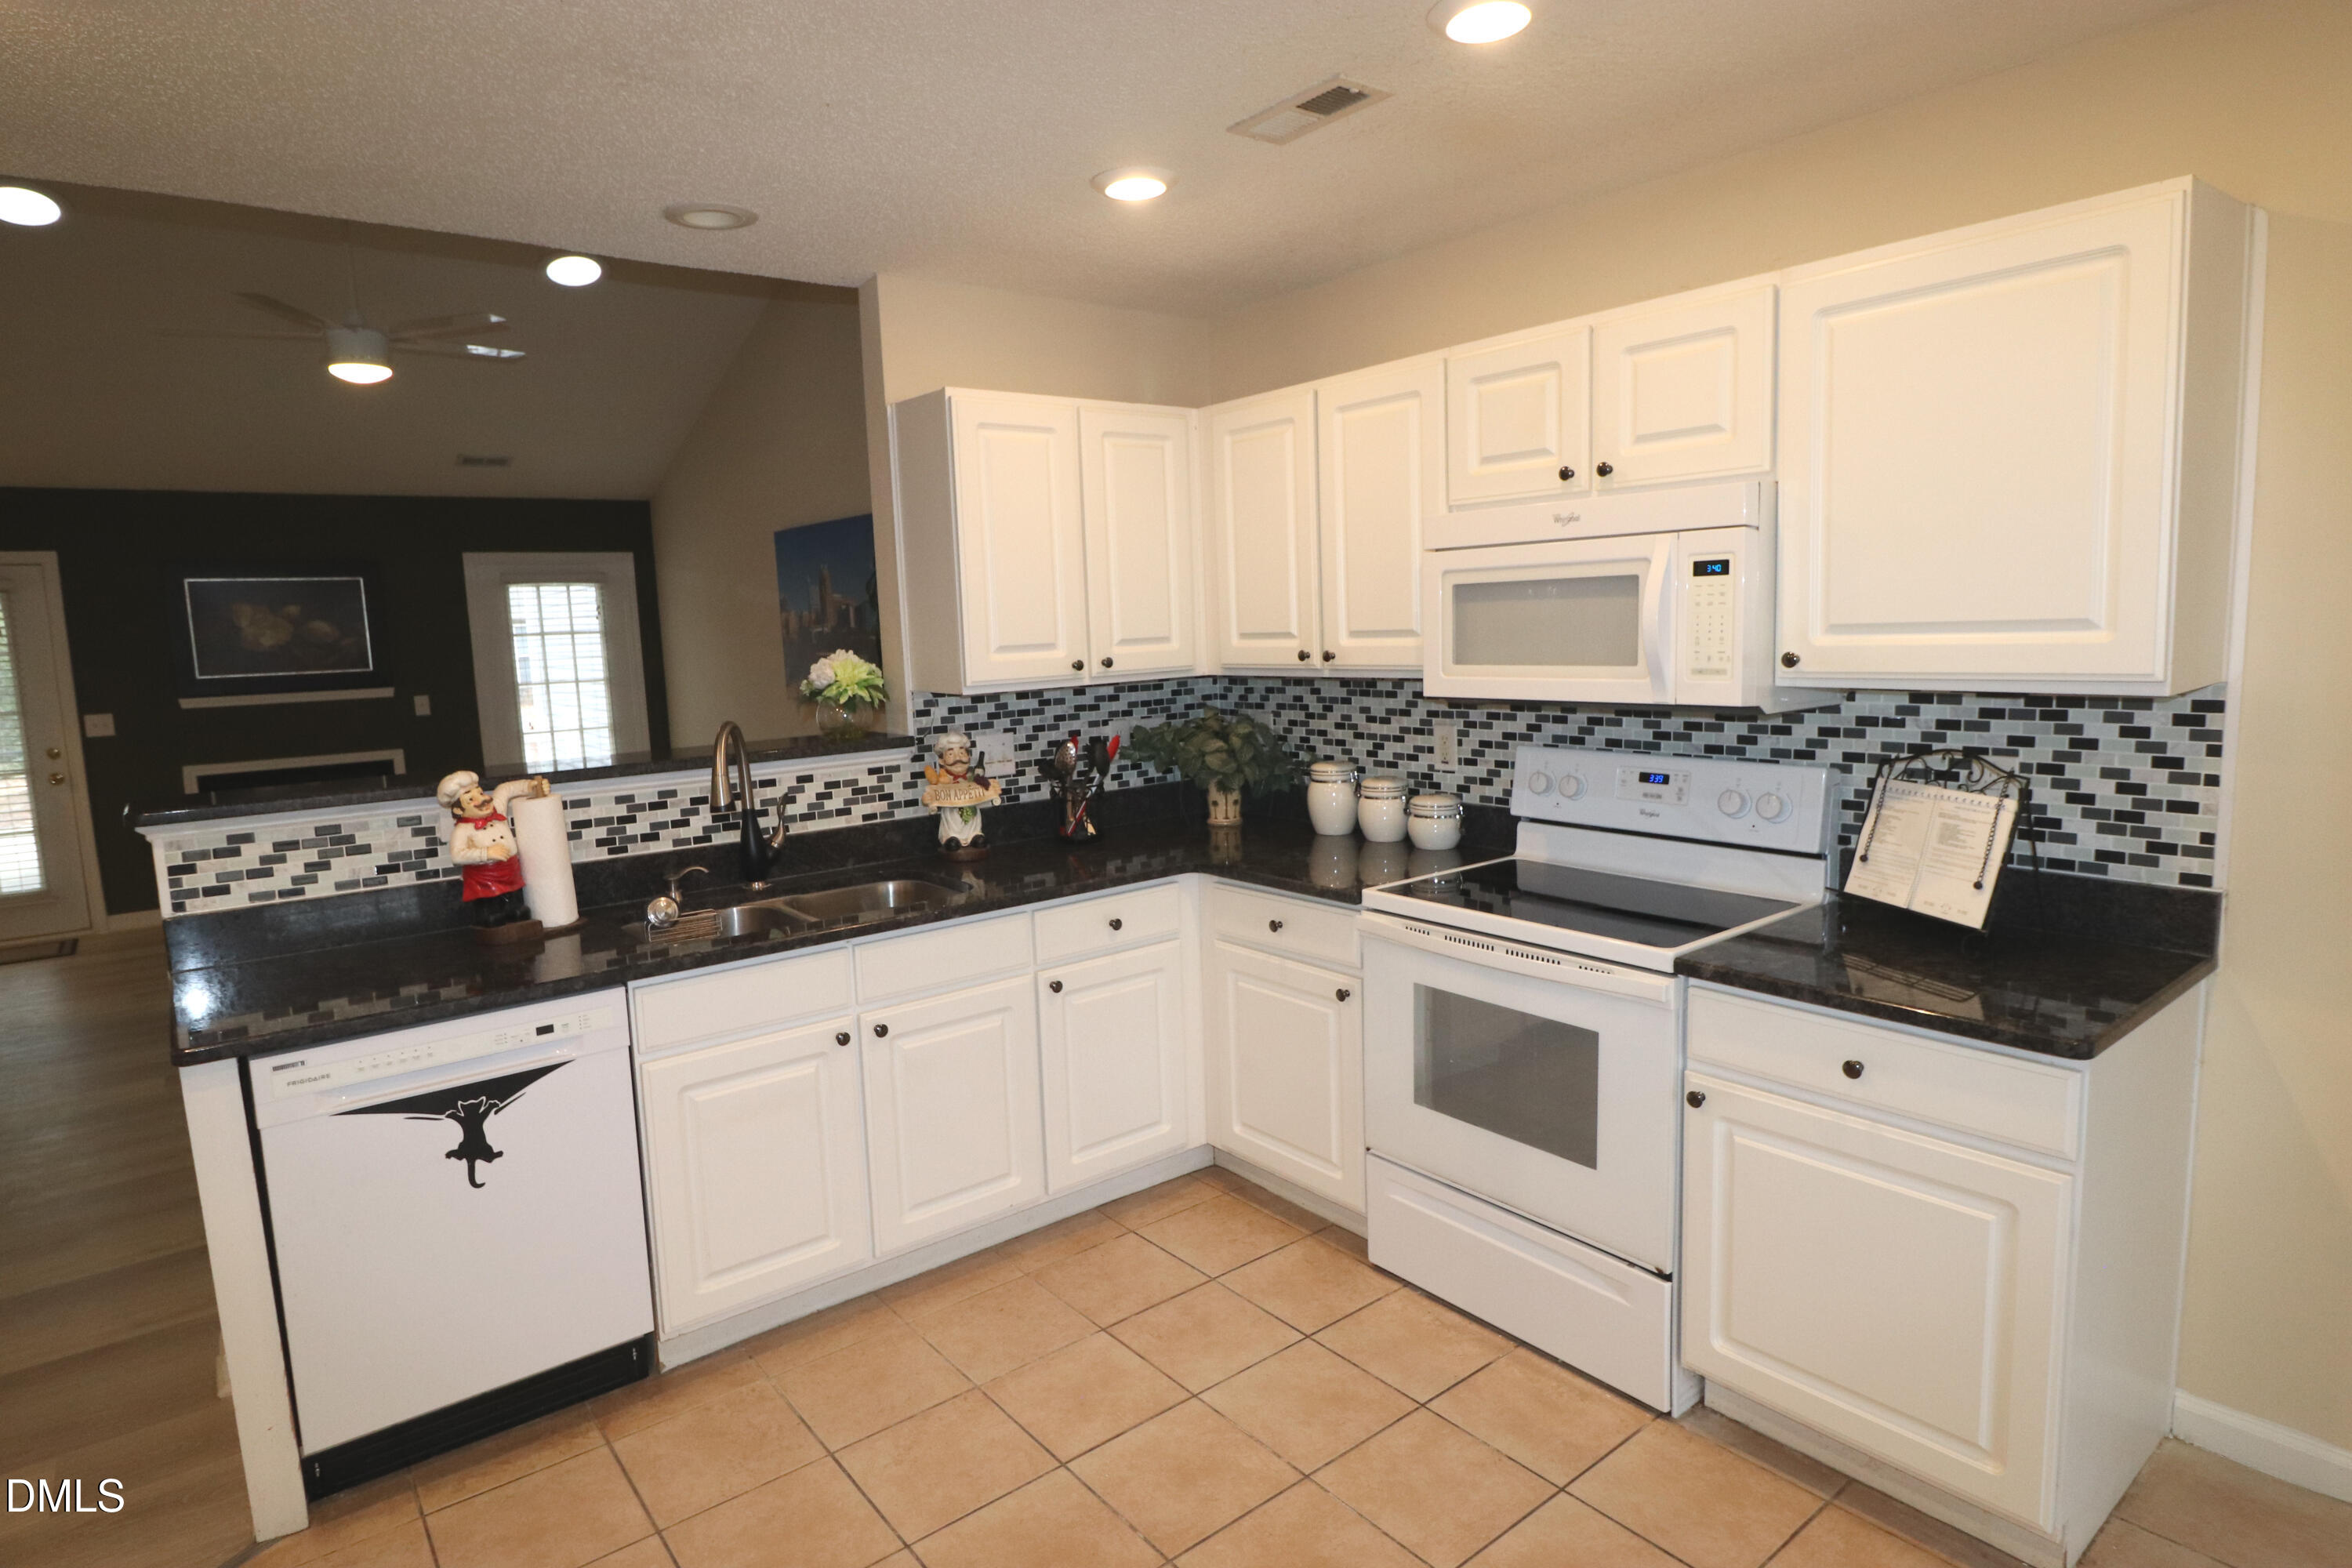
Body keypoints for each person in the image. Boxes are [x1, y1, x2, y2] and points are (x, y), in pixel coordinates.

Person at [436, 770, 550, 929]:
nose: (482, 800)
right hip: (484, 876)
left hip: (510, 869)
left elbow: (505, 789)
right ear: (458, 811)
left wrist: (531, 787)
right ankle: (489, 915)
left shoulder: (497, 810)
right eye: (471, 799)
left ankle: (514, 909)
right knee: (490, 903)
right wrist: (486, 853)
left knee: (514, 897)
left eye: (480, 793)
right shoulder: (462, 830)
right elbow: (457, 855)